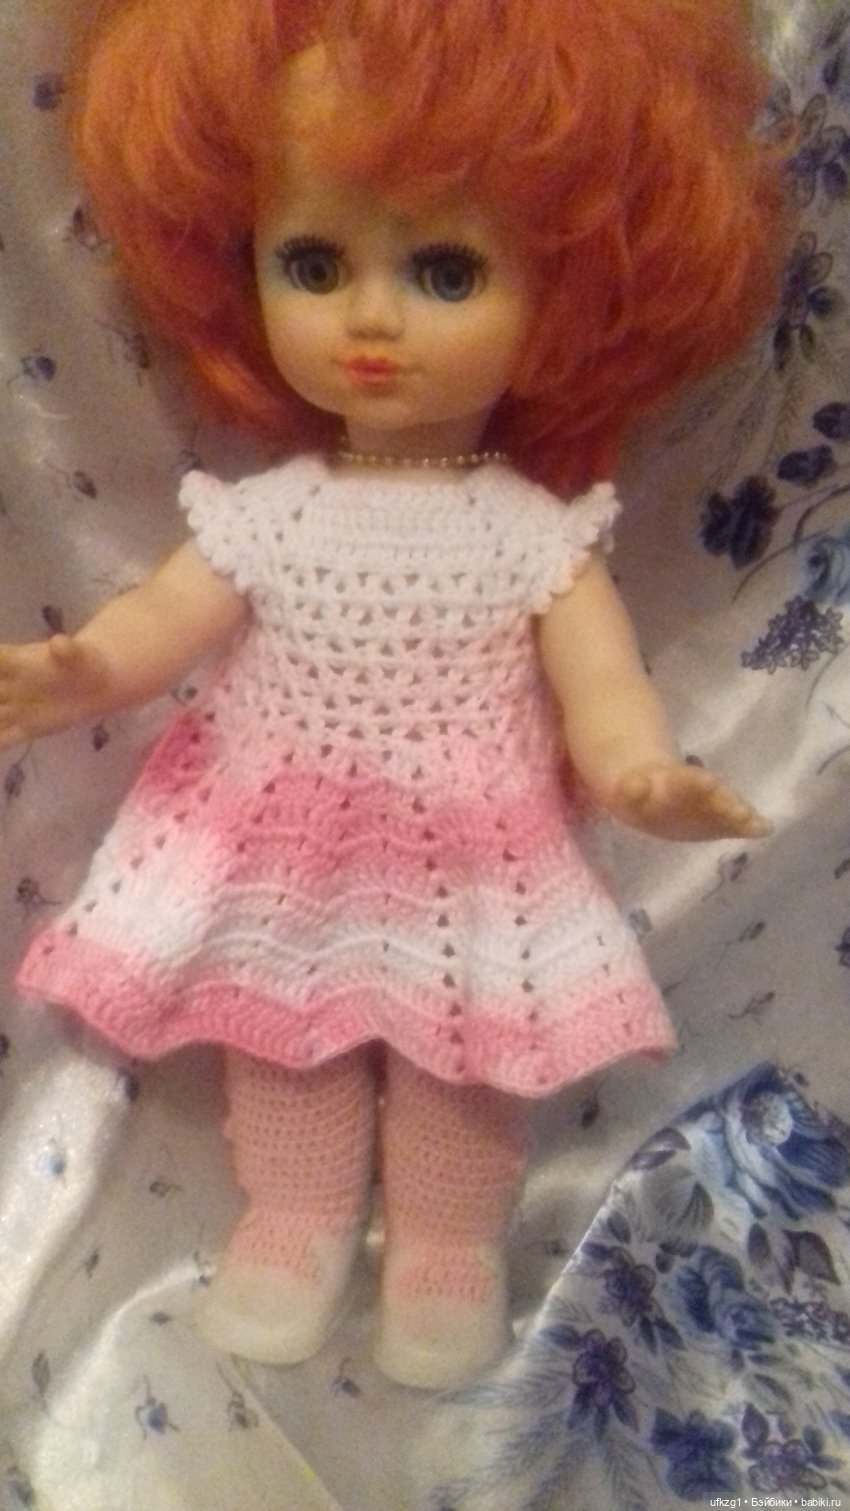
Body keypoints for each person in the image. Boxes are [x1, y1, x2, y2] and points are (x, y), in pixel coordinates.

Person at [4, 0, 781, 1387]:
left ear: (570, 294)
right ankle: (292, 1223)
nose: (371, 318)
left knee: (462, 1058)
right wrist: (82, 672)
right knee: (278, 1038)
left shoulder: (535, 536)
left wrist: (639, 775)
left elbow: (602, 691)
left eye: (443, 270)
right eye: (313, 262)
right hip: (279, 837)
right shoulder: (271, 513)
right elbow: (162, 623)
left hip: (470, 850)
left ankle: (447, 1250)